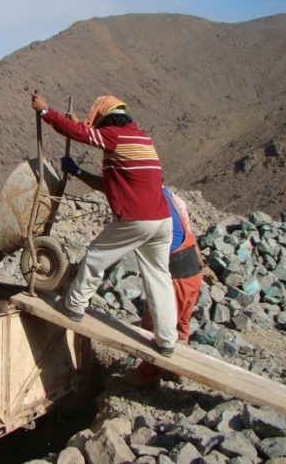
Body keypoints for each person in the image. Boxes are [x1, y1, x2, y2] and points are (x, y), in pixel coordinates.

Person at [31, 93, 177, 357]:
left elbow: (83, 135)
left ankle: (74, 306)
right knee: (159, 277)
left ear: (106, 121)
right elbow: (107, 185)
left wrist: (46, 112)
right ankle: (167, 340)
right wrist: (77, 172)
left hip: (137, 219)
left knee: (96, 257)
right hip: (161, 221)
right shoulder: (141, 139)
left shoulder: (116, 136)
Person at [128, 186, 206, 387]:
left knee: (157, 327)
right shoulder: (176, 201)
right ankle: (176, 369)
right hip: (192, 274)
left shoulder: (153, 205)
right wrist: (201, 264)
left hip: (177, 278)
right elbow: (189, 232)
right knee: (181, 328)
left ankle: (148, 379)